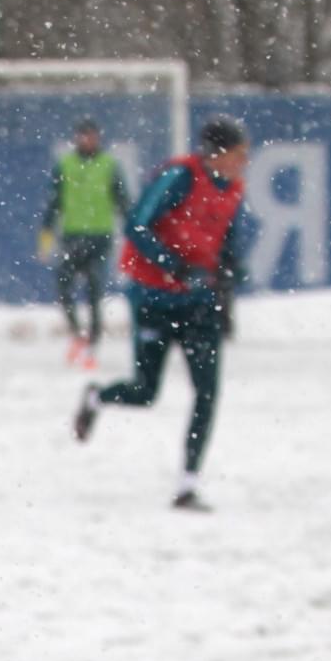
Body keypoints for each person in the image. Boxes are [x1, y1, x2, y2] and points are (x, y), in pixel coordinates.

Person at [73, 115, 249, 511]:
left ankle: (187, 483)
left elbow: (228, 244)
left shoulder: (234, 190)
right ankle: (97, 398)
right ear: (218, 154)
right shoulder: (180, 178)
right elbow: (136, 224)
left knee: (207, 391)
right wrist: (171, 264)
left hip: (198, 305)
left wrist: (227, 277)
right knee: (145, 391)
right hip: (154, 301)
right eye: (239, 153)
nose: (244, 161)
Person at [38, 118, 130, 366]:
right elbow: (54, 203)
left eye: (92, 136)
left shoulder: (109, 165)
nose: (88, 141)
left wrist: (133, 232)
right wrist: (46, 236)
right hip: (73, 236)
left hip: (100, 237)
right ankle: (77, 334)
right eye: (83, 136)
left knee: (94, 290)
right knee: (64, 286)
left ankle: (92, 345)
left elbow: (123, 202)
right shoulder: (65, 165)